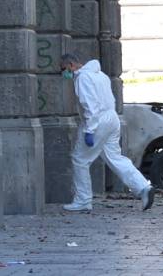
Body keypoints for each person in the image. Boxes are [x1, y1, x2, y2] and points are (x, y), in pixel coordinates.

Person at [60, 53, 155, 212]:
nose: (63, 73)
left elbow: (90, 105)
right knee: (115, 157)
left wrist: (90, 130)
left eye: (63, 68)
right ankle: (143, 187)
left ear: (71, 65)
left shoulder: (82, 78)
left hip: (97, 121)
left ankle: (83, 200)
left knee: (80, 159)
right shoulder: (100, 75)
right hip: (112, 118)